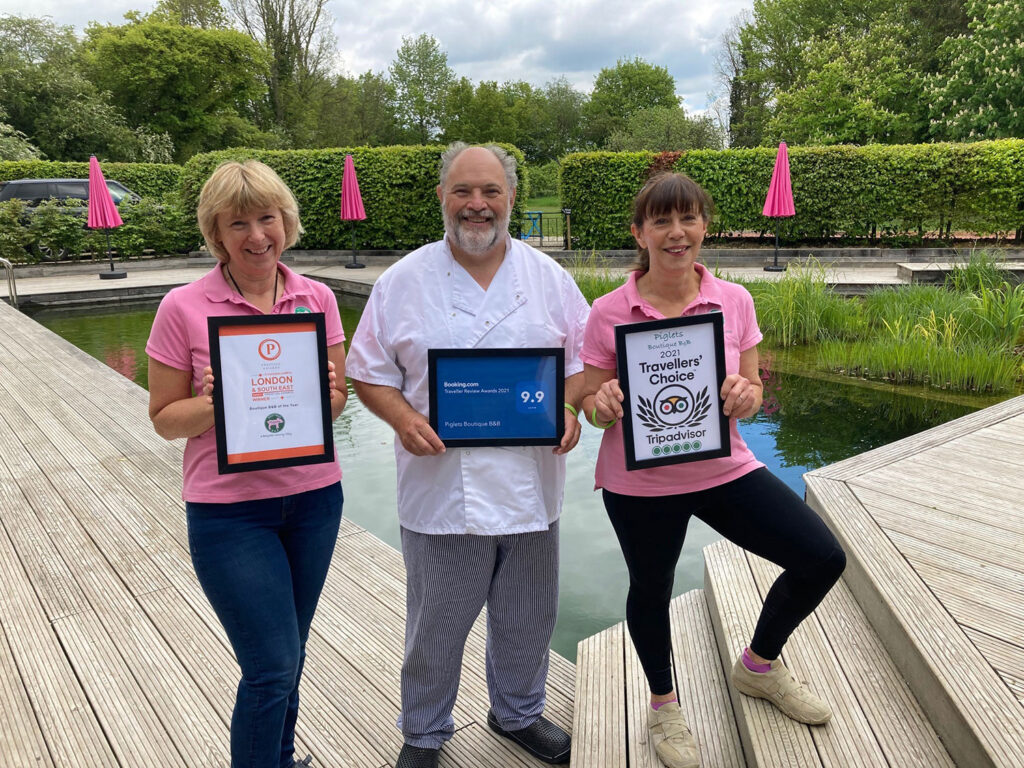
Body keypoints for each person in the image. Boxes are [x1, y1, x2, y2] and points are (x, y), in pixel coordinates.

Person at [580, 172, 847, 768]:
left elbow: (750, 386)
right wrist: (601, 406)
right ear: (639, 233)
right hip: (639, 481)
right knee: (650, 589)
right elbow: (594, 404)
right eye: (661, 222)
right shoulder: (607, 312)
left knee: (822, 557)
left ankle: (758, 665)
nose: (677, 233)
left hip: (724, 467)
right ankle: (664, 705)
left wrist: (748, 395)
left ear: (704, 226)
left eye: (689, 219)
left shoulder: (734, 301)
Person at [346, 142, 589, 768]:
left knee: (529, 617)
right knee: (436, 628)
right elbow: (368, 372)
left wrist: (566, 408)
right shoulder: (402, 282)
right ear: (442, 198)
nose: (477, 205)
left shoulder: (550, 280)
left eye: (490, 192)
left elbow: (586, 366)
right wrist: (401, 418)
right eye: (464, 192)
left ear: (510, 198)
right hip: (440, 489)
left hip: (533, 487)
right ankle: (424, 733)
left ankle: (517, 713)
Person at [146, 160, 347, 768]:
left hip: (314, 499)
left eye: (268, 218)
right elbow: (162, 417)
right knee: (271, 666)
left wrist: (328, 391)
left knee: (292, 651)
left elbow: (335, 403)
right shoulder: (183, 307)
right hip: (230, 513)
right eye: (239, 223)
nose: (257, 235)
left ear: (286, 221)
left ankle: (281, 759)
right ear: (216, 235)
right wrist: (215, 403)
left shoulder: (319, 297)